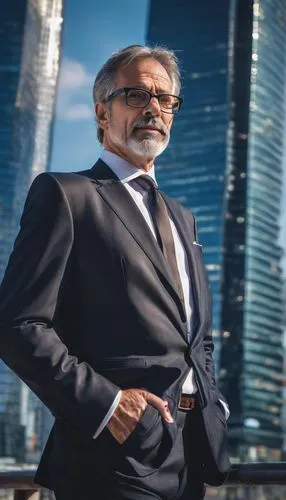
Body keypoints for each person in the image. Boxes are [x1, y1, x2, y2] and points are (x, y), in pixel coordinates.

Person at [0, 45, 230, 500]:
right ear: (102, 113)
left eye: (165, 100)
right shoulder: (67, 195)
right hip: (112, 454)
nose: (154, 109)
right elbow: (18, 324)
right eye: (136, 95)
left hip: (193, 452)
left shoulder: (184, 217)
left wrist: (213, 405)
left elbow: (196, 337)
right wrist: (110, 406)